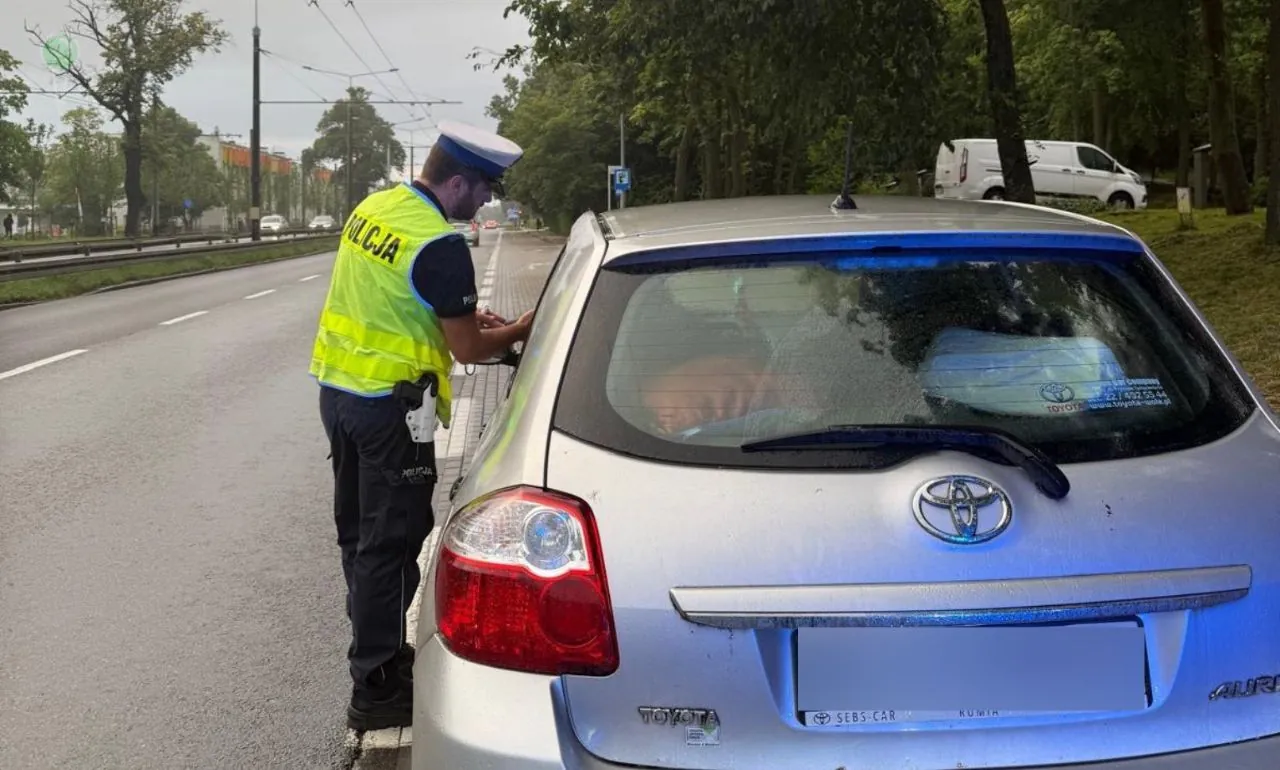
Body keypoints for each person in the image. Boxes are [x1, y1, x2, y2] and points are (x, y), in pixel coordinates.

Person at [310, 120, 535, 731]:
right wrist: (521, 327)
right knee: (393, 543)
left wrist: (460, 312)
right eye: (485, 186)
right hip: (390, 412)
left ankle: (380, 658)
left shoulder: (375, 208)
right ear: (457, 181)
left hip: (340, 393)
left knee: (360, 537)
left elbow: (395, 298)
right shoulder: (440, 246)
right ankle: (376, 687)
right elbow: (468, 351)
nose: (488, 198)